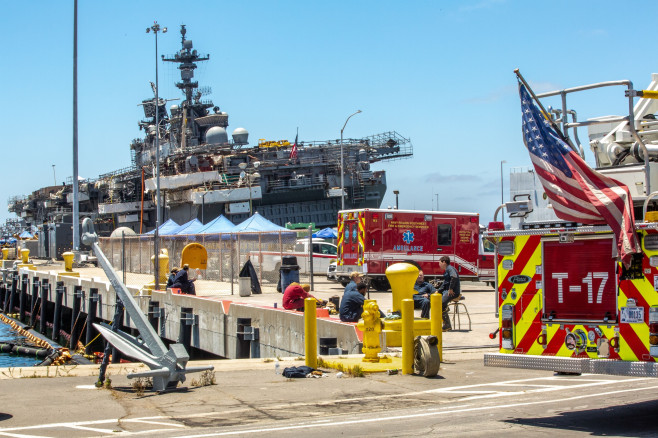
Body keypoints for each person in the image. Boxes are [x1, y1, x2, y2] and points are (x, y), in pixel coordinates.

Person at [438, 256, 460, 331]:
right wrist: (438, 291)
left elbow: (454, 276)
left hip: (453, 292)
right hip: (448, 291)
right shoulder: (447, 269)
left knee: (440, 303)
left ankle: (447, 325)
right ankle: (447, 325)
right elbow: (445, 283)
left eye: (440, 263)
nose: (439, 264)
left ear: (444, 262)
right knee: (439, 303)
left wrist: (451, 288)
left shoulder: (450, 269)